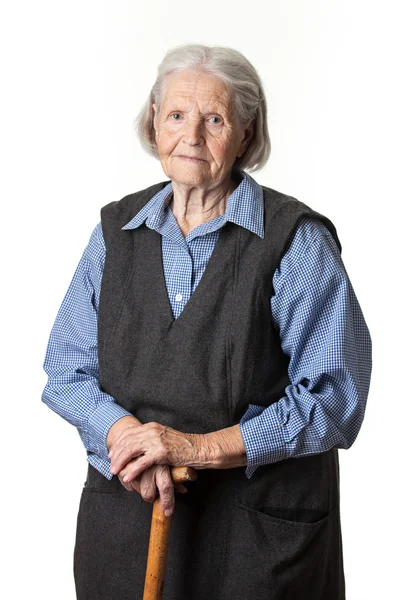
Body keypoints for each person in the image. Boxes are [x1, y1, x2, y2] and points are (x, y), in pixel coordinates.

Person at [41, 44, 372, 600]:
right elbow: (66, 369)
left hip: (256, 544)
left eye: (214, 119)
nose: (191, 136)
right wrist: (126, 437)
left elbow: (333, 398)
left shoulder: (295, 242)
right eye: (176, 115)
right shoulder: (113, 234)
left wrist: (193, 449)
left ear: (246, 133)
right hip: (125, 530)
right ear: (154, 122)